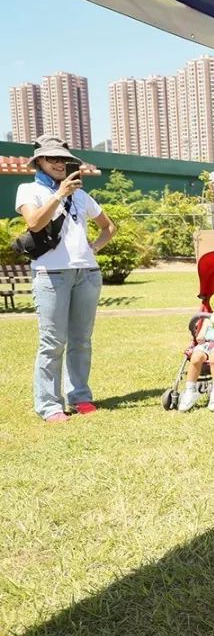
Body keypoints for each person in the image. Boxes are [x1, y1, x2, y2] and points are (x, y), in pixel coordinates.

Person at [15, 135, 116, 423]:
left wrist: (92, 249)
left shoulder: (81, 196)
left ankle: (80, 396)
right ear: (40, 162)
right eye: (51, 158)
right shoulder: (29, 190)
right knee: (52, 342)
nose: (59, 163)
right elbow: (33, 222)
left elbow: (109, 227)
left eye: (62, 158)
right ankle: (49, 405)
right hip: (51, 275)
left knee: (81, 340)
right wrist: (59, 194)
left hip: (86, 274)